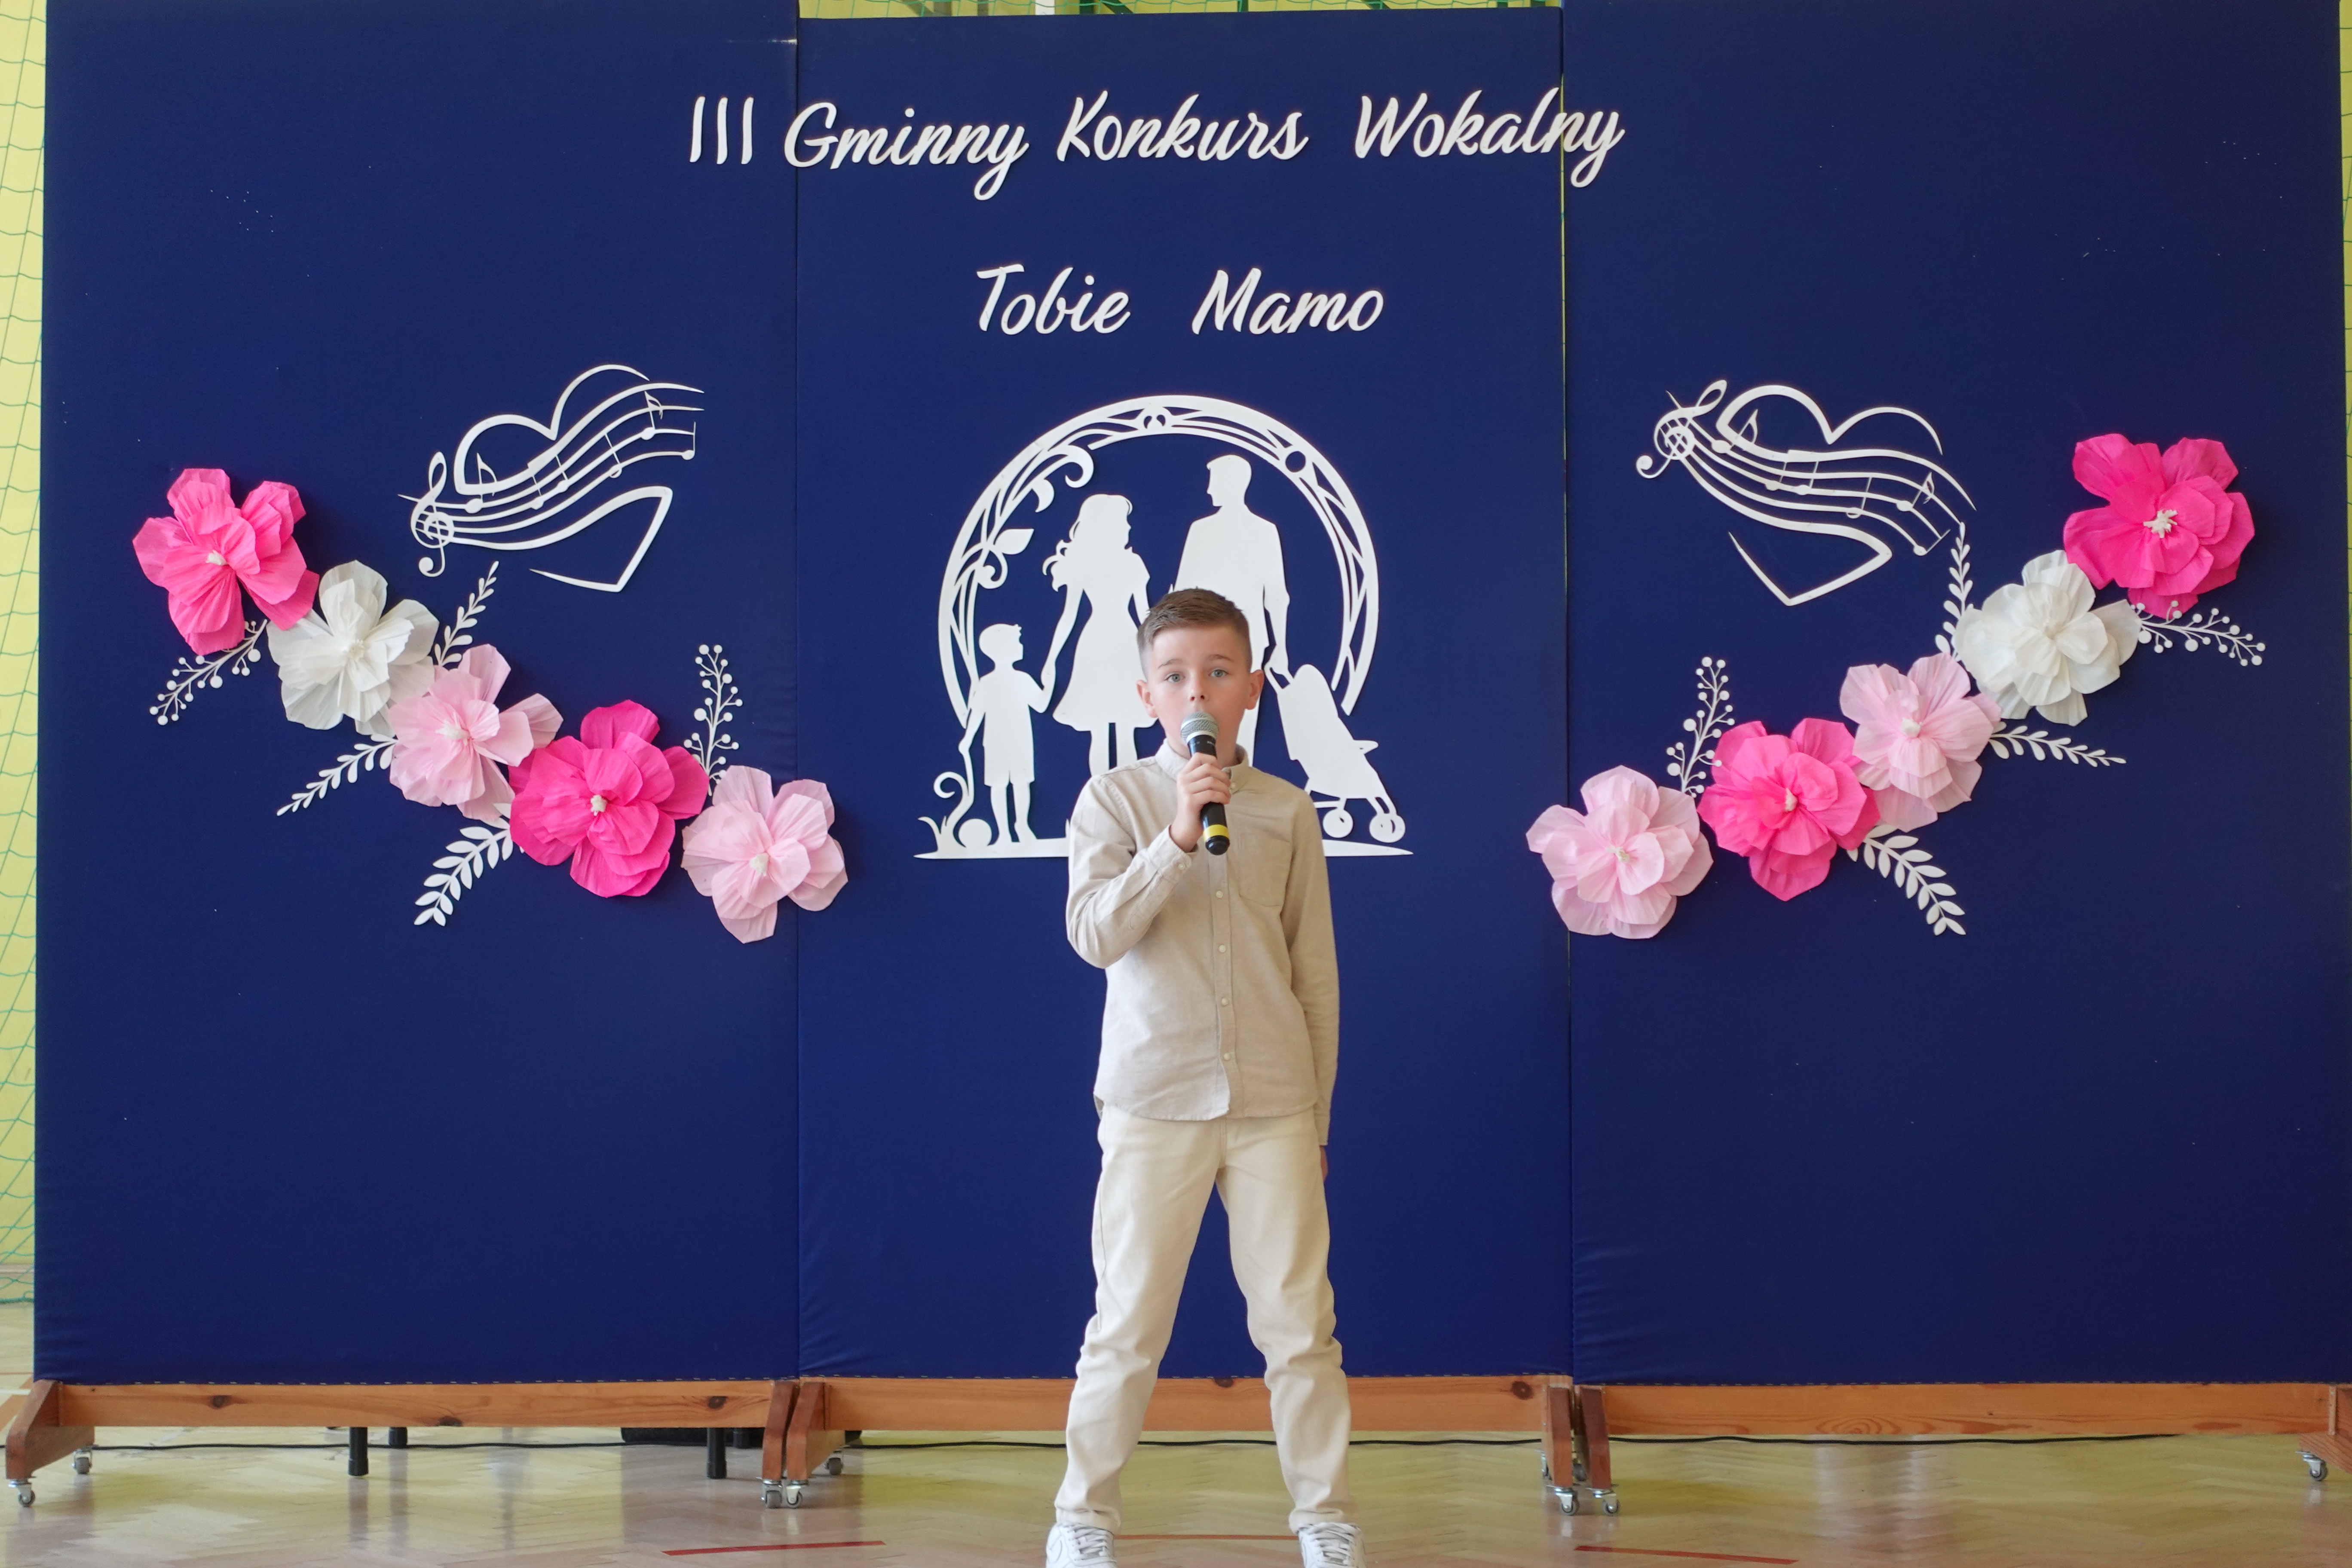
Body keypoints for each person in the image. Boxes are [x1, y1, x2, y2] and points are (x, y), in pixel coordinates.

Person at [1048, 588, 1360, 1568]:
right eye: (1176, 675)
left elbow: (1314, 975)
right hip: (1154, 1098)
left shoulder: (1285, 810)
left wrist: (1316, 1116)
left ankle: (1325, 1519)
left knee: (1300, 1326)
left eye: (1218, 672)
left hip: (1274, 1103)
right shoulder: (1113, 801)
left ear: (1251, 687)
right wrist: (1176, 837)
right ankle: (1082, 1519)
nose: (1198, 692)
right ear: (1146, 693)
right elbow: (1093, 934)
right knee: (1127, 1322)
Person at [1172, 455, 1291, 757]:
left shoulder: (1261, 531)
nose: (1209, 489)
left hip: (1243, 637)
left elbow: (1276, 594)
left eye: (1214, 482)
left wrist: (1282, 646)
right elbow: (1182, 594)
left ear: (1232, 484)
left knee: (1241, 719)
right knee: (1195, 715)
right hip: (1204, 639)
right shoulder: (1203, 530)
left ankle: (1232, 781)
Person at [1044, 494, 1156, 775]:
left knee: (1123, 725)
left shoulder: (1132, 563)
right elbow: (1069, 616)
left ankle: (1128, 794)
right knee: (1102, 724)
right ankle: (1102, 793)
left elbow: (1146, 617)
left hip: (1123, 645)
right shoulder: (1092, 564)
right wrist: (1052, 658)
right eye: (1124, 522)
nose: (1129, 528)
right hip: (1099, 646)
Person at [960, 621, 1050, 846]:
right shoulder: (987, 682)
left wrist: (1049, 682)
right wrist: (968, 739)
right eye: (1017, 642)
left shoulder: (1023, 679)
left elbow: (1041, 705)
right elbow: (977, 713)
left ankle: (1022, 826)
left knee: (1021, 783)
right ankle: (1004, 833)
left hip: (1020, 739)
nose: (1022, 646)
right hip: (996, 742)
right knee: (998, 785)